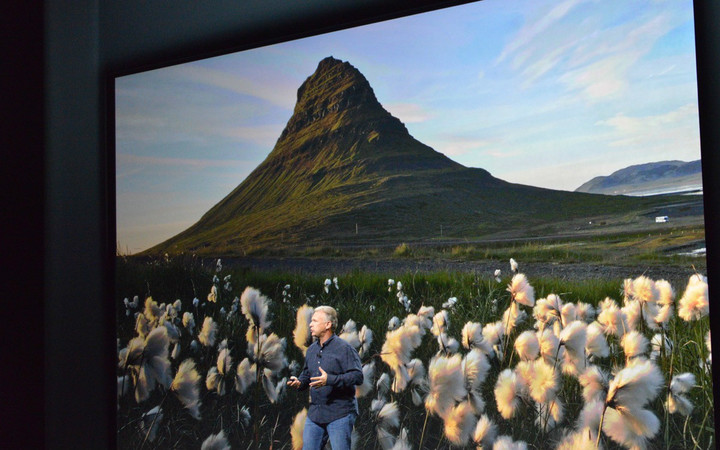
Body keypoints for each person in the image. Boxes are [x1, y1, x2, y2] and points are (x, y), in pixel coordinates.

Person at [287, 305, 363, 450]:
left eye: (315, 321)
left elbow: (357, 376)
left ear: (328, 325)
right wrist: (299, 382)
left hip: (340, 413)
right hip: (316, 414)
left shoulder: (344, 349)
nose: (310, 324)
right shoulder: (311, 350)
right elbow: (307, 374)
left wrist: (330, 380)